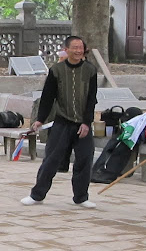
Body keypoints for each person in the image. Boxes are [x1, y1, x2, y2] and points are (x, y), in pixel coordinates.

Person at [21, 35, 98, 208]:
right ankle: (37, 195)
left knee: (84, 160)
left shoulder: (90, 70)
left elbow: (92, 98)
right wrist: (40, 120)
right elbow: (48, 97)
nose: (78, 51)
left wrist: (87, 122)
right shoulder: (56, 70)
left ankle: (81, 197)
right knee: (51, 159)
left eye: (81, 48)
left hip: (83, 124)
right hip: (62, 122)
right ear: (66, 50)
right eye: (75, 48)